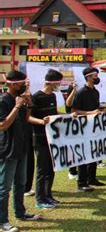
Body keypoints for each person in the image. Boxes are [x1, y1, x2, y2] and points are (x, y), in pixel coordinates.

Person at [0, 71, 41, 232]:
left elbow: (25, 119)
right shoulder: (4, 100)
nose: (24, 86)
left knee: (21, 183)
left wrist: (28, 104)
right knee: (4, 187)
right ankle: (2, 221)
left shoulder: (21, 99)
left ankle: (20, 212)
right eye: (21, 83)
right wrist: (17, 106)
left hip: (22, 146)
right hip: (8, 149)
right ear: (12, 84)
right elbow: (3, 125)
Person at [27, 69, 63, 210]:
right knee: (42, 170)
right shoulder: (36, 97)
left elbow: (53, 113)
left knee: (51, 168)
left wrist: (66, 115)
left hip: (52, 139)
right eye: (58, 82)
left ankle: (48, 195)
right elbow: (28, 117)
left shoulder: (53, 96)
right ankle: (39, 199)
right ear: (52, 82)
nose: (59, 85)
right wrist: (41, 122)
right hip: (40, 138)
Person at [72, 67, 106, 192]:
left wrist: (102, 110)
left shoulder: (96, 92)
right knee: (84, 155)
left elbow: (97, 108)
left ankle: (92, 178)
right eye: (94, 76)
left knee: (94, 153)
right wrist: (90, 113)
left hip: (95, 127)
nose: (97, 78)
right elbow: (74, 111)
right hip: (83, 128)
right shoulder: (81, 92)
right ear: (88, 77)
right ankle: (81, 182)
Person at [65, 81, 78, 181]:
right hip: (71, 127)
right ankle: (72, 171)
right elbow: (68, 103)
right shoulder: (70, 99)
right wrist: (73, 90)